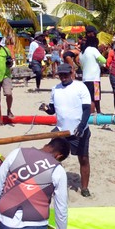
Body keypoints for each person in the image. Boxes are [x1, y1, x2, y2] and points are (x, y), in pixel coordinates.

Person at [40, 63, 92, 196]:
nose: (63, 77)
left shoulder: (80, 87)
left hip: (79, 131)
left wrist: (81, 126)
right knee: (51, 156)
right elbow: (52, 110)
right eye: (60, 75)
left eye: (65, 75)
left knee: (83, 158)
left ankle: (84, 188)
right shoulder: (55, 89)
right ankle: (51, 182)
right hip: (61, 130)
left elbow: (87, 109)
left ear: (72, 73)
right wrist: (45, 108)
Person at [79, 35, 106, 114]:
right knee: (95, 98)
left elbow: (82, 66)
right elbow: (103, 60)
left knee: (89, 97)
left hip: (85, 79)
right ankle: (95, 113)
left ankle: (95, 112)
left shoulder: (81, 53)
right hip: (94, 79)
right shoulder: (93, 50)